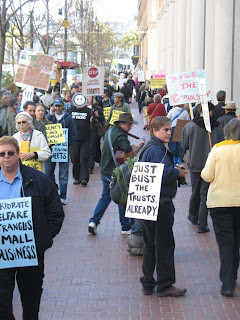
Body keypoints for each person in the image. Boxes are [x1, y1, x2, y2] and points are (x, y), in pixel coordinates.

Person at [0, 136, 64, 319]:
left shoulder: (38, 180)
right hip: (1, 253)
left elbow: (55, 212)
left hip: (31, 253)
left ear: (18, 154)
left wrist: (41, 239)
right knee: (2, 302)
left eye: (10, 153)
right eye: (2, 154)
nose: (6, 157)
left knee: (31, 300)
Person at [139, 116, 187, 297]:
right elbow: (162, 174)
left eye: (169, 129)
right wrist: (177, 171)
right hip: (160, 204)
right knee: (164, 246)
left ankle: (148, 283)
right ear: (155, 130)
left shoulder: (150, 148)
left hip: (149, 204)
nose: (169, 133)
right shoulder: (157, 150)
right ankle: (165, 285)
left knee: (150, 245)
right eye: (165, 130)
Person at [201, 118, 240, 297]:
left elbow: (207, 176)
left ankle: (227, 283)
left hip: (219, 202)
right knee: (236, 242)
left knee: (225, 242)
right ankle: (232, 274)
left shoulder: (217, 148)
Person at [88, 113, 137, 235]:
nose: (130, 127)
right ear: (121, 124)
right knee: (121, 197)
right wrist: (136, 150)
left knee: (106, 197)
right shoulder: (121, 135)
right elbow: (129, 152)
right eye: (129, 125)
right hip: (114, 172)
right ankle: (125, 227)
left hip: (105, 170)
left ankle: (93, 222)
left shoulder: (111, 130)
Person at [181, 102, 224, 233]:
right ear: (210, 112)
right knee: (204, 194)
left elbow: (185, 145)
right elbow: (221, 146)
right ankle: (201, 223)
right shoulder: (217, 127)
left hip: (194, 163)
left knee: (195, 192)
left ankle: (193, 216)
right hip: (210, 164)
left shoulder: (190, 126)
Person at [46, 98, 77, 204]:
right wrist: (50, 115)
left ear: (63, 106)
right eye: (56, 106)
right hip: (50, 150)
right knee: (49, 171)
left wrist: (66, 145)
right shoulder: (49, 117)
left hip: (63, 150)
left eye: (59, 106)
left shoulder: (69, 118)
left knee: (63, 173)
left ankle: (62, 196)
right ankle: (53, 191)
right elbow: (45, 127)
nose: (57, 108)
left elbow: (73, 134)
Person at [67, 95, 97, 186]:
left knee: (84, 159)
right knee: (75, 159)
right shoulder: (70, 111)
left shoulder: (89, 111)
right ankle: (76, 177)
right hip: (73, 140)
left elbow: (95, 122)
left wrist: (93, 120)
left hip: (85, 139)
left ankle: (84, 178)